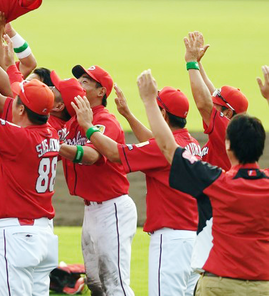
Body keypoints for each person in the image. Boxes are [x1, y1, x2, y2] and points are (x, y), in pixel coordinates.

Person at [136, 69, 269, 296]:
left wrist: (149, 101)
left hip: (219, 285)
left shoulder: (216, 181)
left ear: (228, 145)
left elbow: (169, 147)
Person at [76, 86, 202, 296]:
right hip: (194, 240)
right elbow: (156, 142)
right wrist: (128, 115)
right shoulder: (191, 143)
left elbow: (115, 153)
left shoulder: (162, 149)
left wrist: (89, 127)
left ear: (162, 114)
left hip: (171, 241)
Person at [0, 77, 60, 295]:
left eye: (17, 99)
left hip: (17, 236)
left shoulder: (19, 138)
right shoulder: (52, 134)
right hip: (44, 235)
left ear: (21, 110)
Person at [58, 64, 136, 296]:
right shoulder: (72, 122)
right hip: (91, 211)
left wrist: (56, 145)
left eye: (86, 81)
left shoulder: (106, 121)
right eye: (79, 80)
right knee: (95, 284)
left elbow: (92, 156)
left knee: (115, 284)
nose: (79, 85)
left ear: (101, 92)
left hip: (112, 210)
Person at [184, 32, 248, 170]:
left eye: (216, 105)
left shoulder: (227, 133)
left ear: (228, 113)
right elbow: (212, 94)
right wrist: (198, 63)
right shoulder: (233, 127)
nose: (212, 105)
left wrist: (191, 64)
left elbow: (203, 104)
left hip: (217, 191)